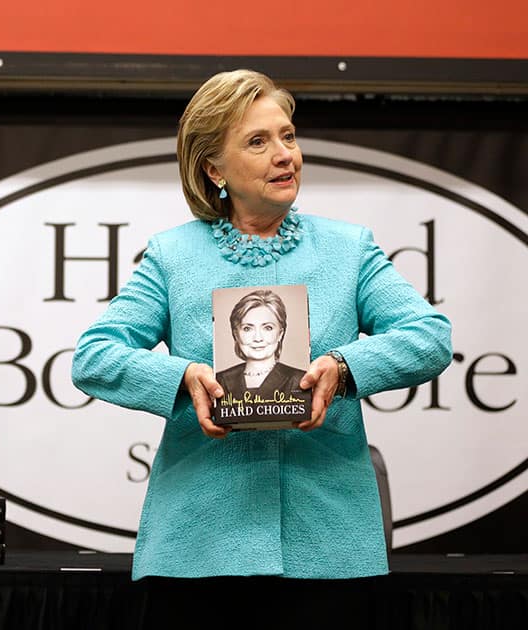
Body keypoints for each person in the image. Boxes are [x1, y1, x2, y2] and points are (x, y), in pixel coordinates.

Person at [71, 69, 452, 581]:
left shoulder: (349, 249)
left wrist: (344, 367)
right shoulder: (172, 255)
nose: (285, 155)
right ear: (214, 169)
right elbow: (94, 357)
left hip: (329, 545)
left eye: (288, 136)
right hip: (196, 549)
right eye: (258, 141)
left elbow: (430, 338)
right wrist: (183, 379)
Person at [214, 288, 306, 403]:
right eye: (247, 328)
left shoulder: (300, 379)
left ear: (280, 334)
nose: (258, 338)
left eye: (268, 328)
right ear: (236, 334)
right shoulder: (219, 380)